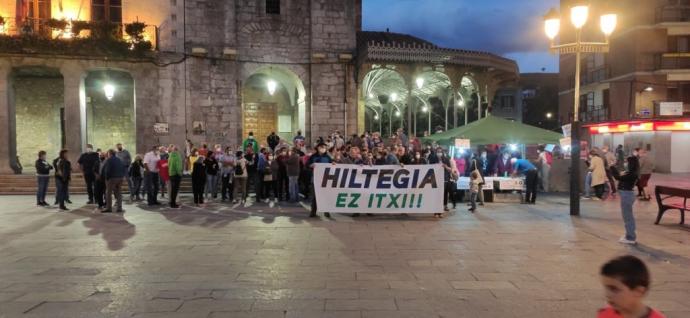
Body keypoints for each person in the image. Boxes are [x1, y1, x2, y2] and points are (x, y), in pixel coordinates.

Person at [598, 255, 665, 318]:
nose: (607, 294)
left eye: (614, 289)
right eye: (606, 288)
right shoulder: (605, 314)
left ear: (638, 291)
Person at [613, 155, 640, 245]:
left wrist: (612, 167)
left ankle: (630, 237)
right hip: (626, 195)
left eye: (627, 162)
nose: (625, 163)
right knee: (627, 217)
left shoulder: (632, 174)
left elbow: (618, 177)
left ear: (631, 163)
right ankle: (629, 234)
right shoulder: (630, 172)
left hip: (627, 196)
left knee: (628, 217)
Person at [308, 143, 332, 218]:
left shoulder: (328, 157)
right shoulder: (313, 156)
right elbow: (307, 165)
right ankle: (313, 211)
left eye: (324, 147)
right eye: (321, 147)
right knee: (314, 196)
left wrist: (333, 164)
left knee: (326, 196)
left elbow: (332, 165)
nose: (323, 148)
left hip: (325, 179)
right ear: (318, 148)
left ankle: (326, 211)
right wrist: (310, 166)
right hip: (315, 179)